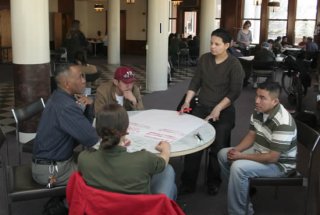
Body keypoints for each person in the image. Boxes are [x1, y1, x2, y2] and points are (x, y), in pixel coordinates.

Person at [179, 28, 245, 195]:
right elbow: (195, 82)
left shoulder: (234, 64)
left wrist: (218, 108)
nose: (212, 47)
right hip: (202, 106)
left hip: (225, 110)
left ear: (227, 45)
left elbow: (234, 92)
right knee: (194, 141)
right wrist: (187, 101)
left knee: (219, 143)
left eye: (217, 44)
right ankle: (188, 181)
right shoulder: (205, 59)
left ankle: (213, 181)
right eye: (211, 43)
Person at [218, 81, 297, 215]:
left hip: (279, 165)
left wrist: (241, 156)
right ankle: (244, 193)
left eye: (262, 98)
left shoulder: (283, 122)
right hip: (260, 151)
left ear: (275, 101)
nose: (256, 101)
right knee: (223, 154)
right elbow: (251, 135)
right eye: (256, 96)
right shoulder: (259, 111)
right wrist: (236, 150)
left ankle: (240, 212)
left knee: (238, 167)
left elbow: (273, 157)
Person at [78, 104, 177, 200]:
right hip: (140, 211)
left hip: (100, 210)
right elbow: (162, 163)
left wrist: (117, 144)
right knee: (168, 173)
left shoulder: (84, 159)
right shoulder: (143, 159)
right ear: (126, 128)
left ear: (97, 129)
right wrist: (166, 148)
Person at [32, 63, 99, 186]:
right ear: (67, 84)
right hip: (51, 173)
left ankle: (66, 199)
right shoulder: (66, 106)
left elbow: (84, 129)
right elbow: (91, 138)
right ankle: (70, 202)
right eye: (80, 77)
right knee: (101, 171)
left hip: (52, 163)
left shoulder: (60, 97)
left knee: (92, 160)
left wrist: (88, 107)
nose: (84, 81)